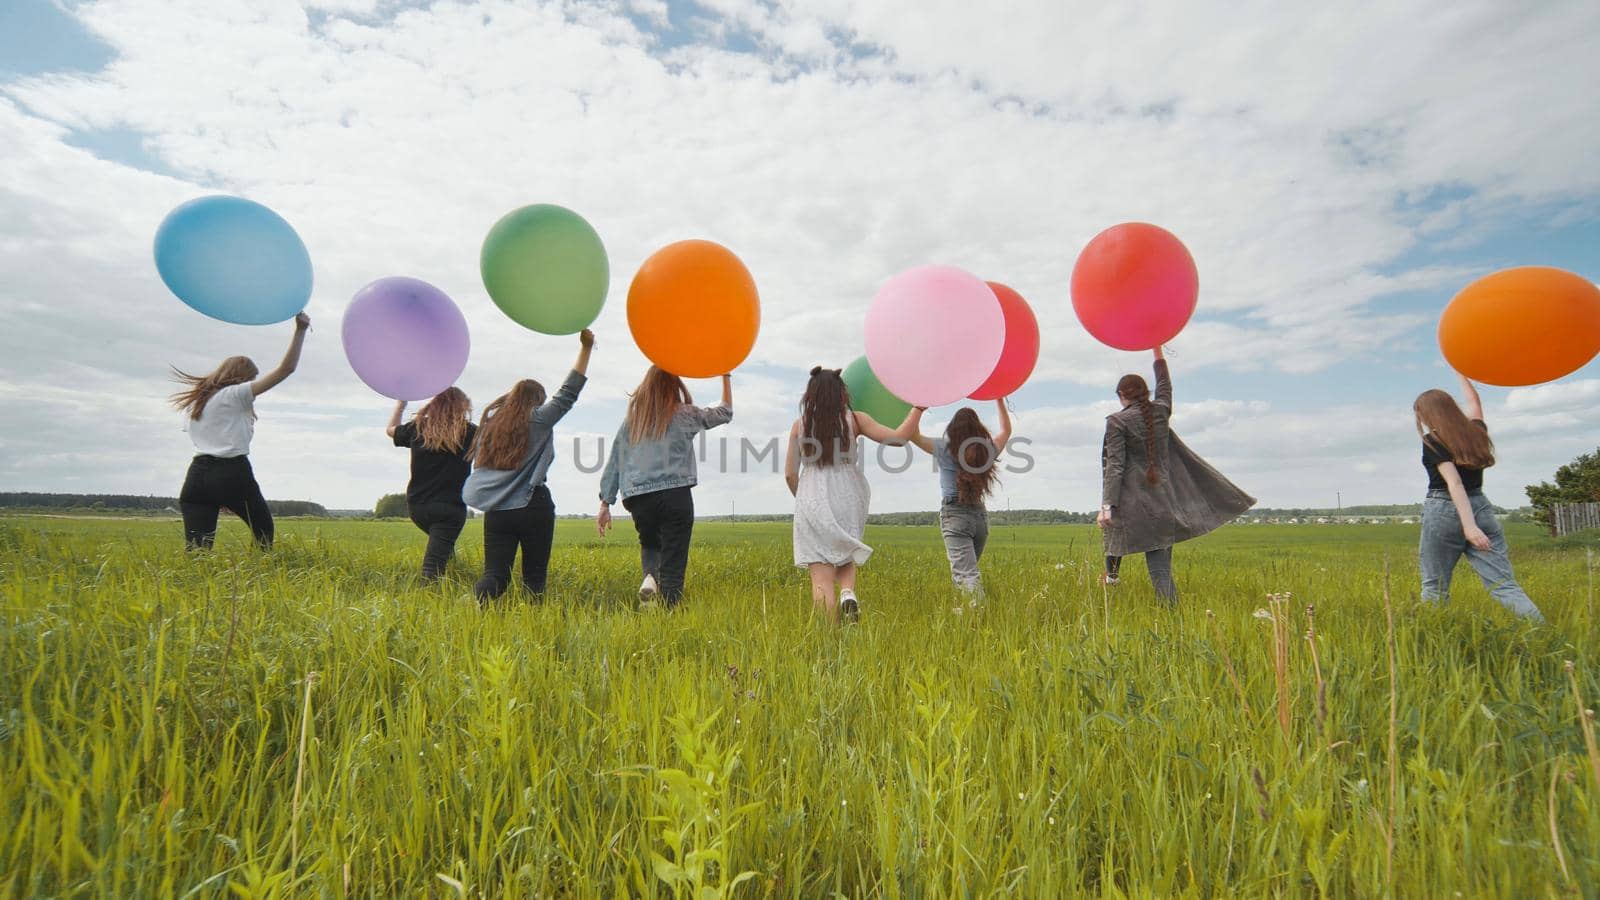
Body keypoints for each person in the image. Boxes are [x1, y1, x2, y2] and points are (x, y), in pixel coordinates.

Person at [1098, 347, 1253, 603]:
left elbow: (1115, 465)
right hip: (1162, 505)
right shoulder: (1161, 411)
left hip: (1131, 505)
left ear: (1121, 395)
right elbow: (1165, 386)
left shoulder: (1117, 421)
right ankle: (1170, 616)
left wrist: (1107, 505)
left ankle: (1112, 579)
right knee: (1160, 571)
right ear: (1144, 393)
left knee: (1113, 533)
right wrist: (1157, 351)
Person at [462, 330, 593, 603]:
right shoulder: (539, 419)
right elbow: (569, 392)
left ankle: (470, 606)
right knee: (534, 580)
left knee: (495, 576)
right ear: (537, 401)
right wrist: (586, 348)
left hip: (497, 509)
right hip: (534, 505)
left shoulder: (491, 427)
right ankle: (536, 629)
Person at [784, 367, 921, 624]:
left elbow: (790, 475)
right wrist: (918, 409)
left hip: (812, 495)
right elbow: (899, 438)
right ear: (841, 393)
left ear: (809, 395)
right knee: (846, 549)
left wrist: (804, 500)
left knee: (820, 576)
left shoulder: (799, 426)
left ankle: (831, 639)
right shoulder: (855, 420)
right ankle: (848, 593)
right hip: (848, 495)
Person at [170, 312, 311, 550]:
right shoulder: (235, 394)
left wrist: (218, 491)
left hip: (197, 477)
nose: (252, 385)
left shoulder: (197, 403)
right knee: (263, 530)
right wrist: (300, 330)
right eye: (252, 379)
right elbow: (286, 369)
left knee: (197, 550)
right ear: (242, 377)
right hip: (231, 470)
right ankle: (261, 576)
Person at [596, 368, 733, 608]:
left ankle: (650, 577)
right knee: (674, 556)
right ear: (675, 386)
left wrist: (605, 503)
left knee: (650, 543)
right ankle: (669, 614)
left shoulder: (632, 421)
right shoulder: (685, 414)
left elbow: (614, 462)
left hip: (639, 500)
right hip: (675, 496)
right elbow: (725, 412)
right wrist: (725, 376)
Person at [1414, 374, 1542, 621]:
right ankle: (1542, 634)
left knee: (1434, 588)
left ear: (1426, 415)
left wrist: (1469, 526)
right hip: (1481, 507)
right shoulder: (1476, 431)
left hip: (1445, 510)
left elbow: (1455, 483)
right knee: (1504, 584)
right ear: (1451, 408)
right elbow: (1475, 403)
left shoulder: (1433, 440)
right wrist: (1461, 372)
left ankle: (1431, 637)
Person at [907, 400, 1011, 598]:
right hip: (979, 518)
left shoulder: (944, 449)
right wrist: (999, 399)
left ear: (952, 429)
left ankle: (977, 615)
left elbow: (913, 434)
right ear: (979, 430)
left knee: (966, 574)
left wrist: (919, 407)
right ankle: (964, 613)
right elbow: (1006, 431)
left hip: (955, 517)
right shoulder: (986, 450)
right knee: (966, 572)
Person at [386, 387, 475, 582]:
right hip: (449, 509)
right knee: (432, 568)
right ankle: (426, 600)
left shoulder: (418, 427)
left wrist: (400, 406)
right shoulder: (469, 432)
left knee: (443, 547)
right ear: (462, 407)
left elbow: (390, 430)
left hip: (418, 507)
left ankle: (455, 576)